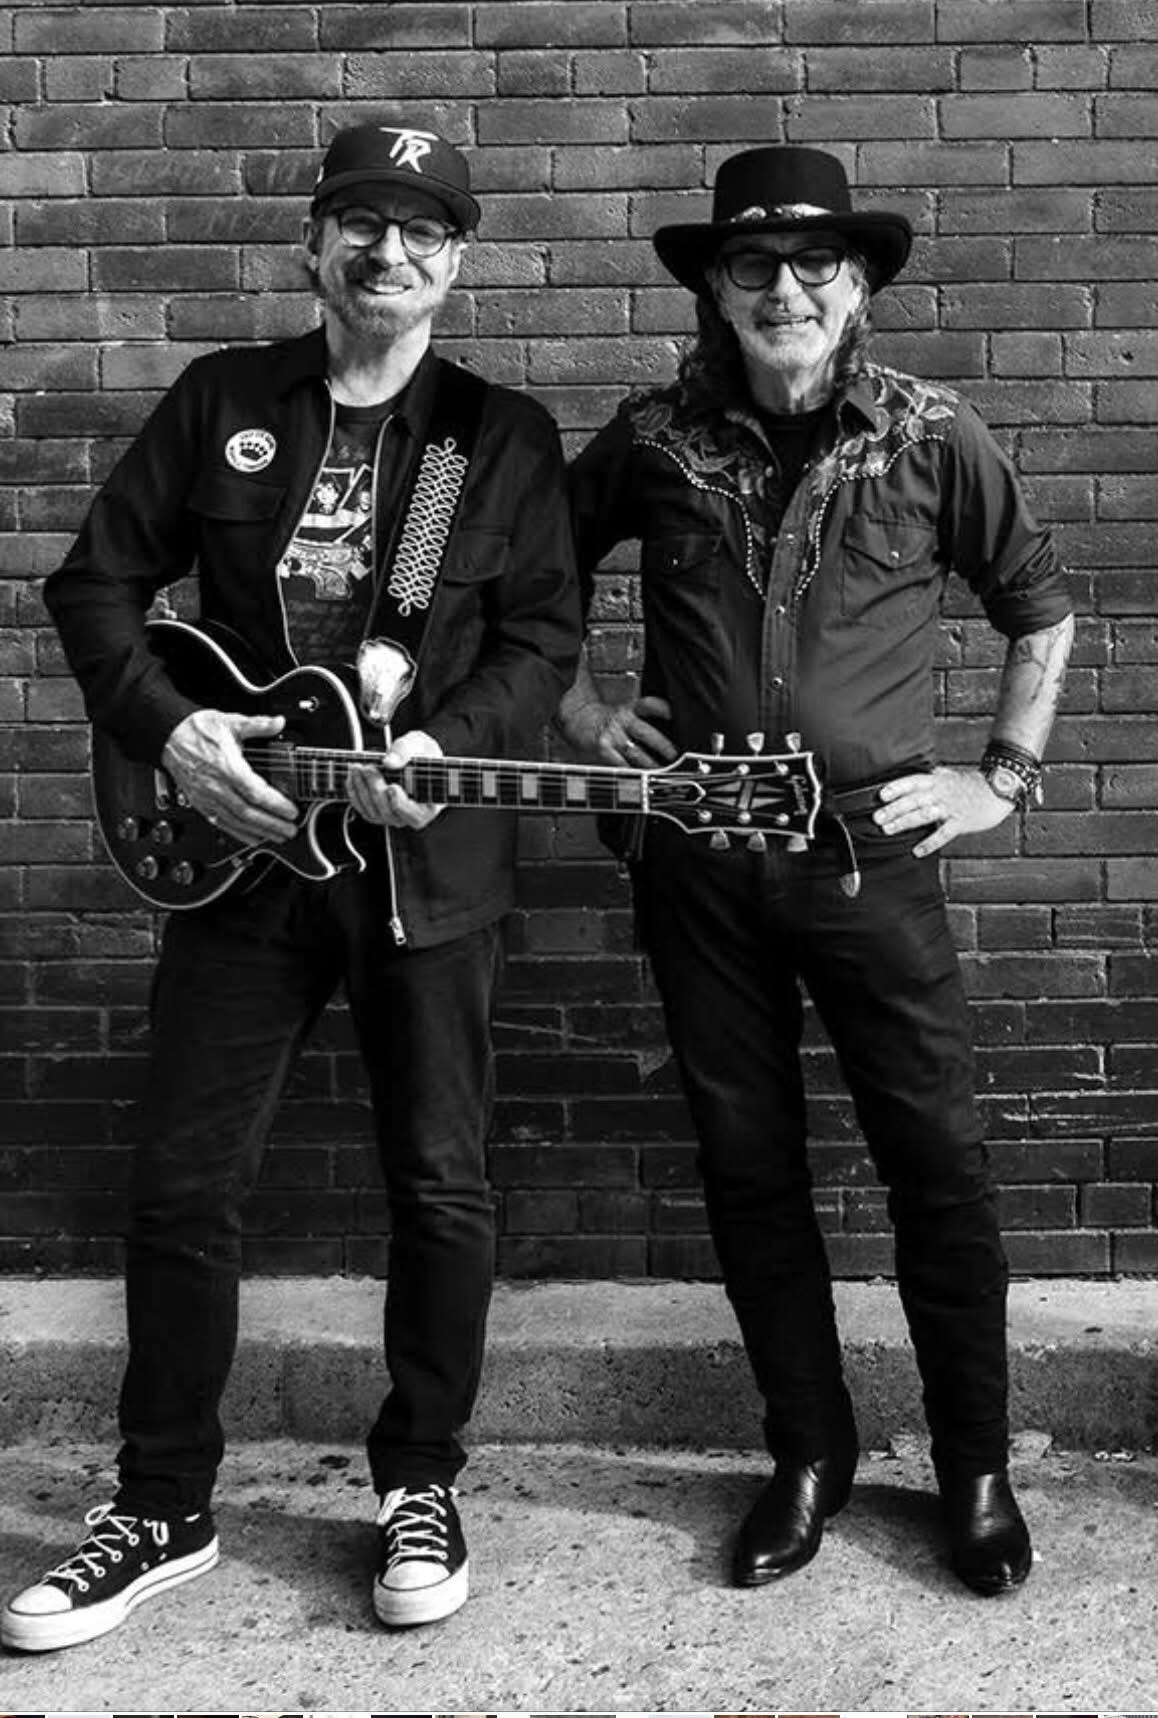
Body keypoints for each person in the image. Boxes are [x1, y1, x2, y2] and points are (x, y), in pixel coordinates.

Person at [3, 119, 581, 1650]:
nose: (386, 251)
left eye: (419, 228)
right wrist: (170, 730)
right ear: (314, 244)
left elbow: (544, 640)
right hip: (242, 860)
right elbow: (94, 583)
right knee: (181, 1183)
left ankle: (419, 1478)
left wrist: (451, 741)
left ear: (454, 260)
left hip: (423, 866)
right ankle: (160, 1502)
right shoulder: (222, 402)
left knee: (438, 1183)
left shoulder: (496, 440)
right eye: (359, 222)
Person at [558, 145, 1074, 1597]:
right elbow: (527, 581)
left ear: (857, 287)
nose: (783, 290)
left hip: (870, 858)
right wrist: (585, 716)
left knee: (939, 1163)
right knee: (747, 1165)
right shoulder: (650, 440)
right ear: (716, 291)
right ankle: (807, 1452)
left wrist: (998, 778)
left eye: (813, 265)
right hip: (698, 861)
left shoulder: (932, 435)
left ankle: (973, 1464)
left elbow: (1039, 610)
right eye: (752, 266)